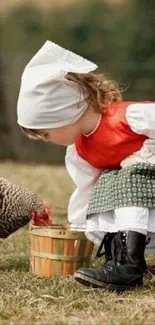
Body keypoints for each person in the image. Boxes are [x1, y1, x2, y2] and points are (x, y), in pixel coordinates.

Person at [17, 40, 155, 292]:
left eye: (46, 134)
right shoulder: (79, 152)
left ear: (61, 115)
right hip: (139, 198)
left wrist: (146, 155)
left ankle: (129, 266)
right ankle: (123, 260)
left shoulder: (127, 117)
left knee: (125, 177)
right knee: (106, 187)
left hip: (148, 186)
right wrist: (79, 226)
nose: (49, 141)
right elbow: (85, 191)